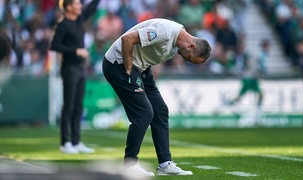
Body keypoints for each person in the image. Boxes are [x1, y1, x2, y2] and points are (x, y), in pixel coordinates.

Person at [102, 18, 211, 176]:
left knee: (160, 111)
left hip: (141, 67)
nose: (185, 59)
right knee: (144, 114)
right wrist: (128, 68)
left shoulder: (176, 44)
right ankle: (129, 165)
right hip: (119, 64)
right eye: (189, 58)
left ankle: (165, 165)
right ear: (191, 45)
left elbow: (149, 50)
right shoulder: (164, 33)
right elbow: (128, 39)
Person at [50, 0, 100, 154]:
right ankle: (65, 143)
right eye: (77, 4)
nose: (80, 6)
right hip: (69, 68)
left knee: (78, 106)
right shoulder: (63, 24)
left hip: (80, 68)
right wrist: (75, 51)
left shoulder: (79, 19)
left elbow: (91, 8)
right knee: (69, 106)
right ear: (69, 7)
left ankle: (76, 142)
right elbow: (54, 45)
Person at [228, 39, 270, 111]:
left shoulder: (254, 54)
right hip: (250, 79)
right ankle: (258, 112)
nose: (268, 48)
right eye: (267, 46)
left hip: (248, 78)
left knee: (240, 97)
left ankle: (228, 104)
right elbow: (258, 66)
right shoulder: (260, 55)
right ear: (264, 46)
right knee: (260, 95)